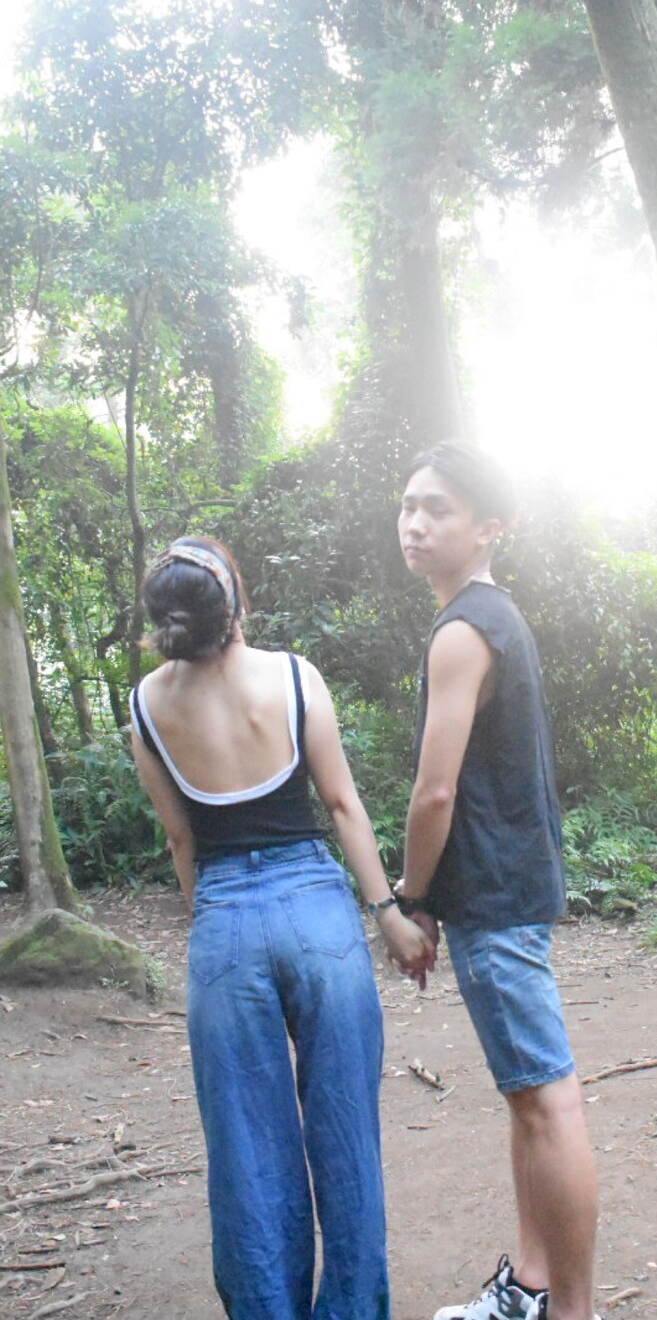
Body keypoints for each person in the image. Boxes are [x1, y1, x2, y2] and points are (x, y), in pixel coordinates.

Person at [129, 536, 435, 1320]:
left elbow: (181, 840)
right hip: (316, 911)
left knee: (247, 1152)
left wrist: (213, 918)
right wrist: (389, 915)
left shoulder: (146, 706)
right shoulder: (294, 677)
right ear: (235, 602)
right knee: (346, 1134)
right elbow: (341, 805)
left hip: (226, 919)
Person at [394, 444, 601, 1320]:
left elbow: (434, 791)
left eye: (437, 508)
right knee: (529, 1102)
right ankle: (530, 1289)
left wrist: (410, 898)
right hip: (511, 888)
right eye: (408, 505)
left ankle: (573, 1310)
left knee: (548, 1103)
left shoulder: (463, 631)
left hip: (493, 895)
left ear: (488, 527)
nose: (414, 522)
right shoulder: (495, 616)